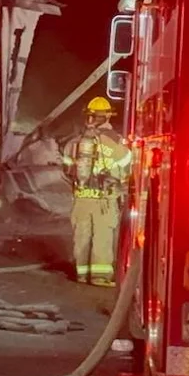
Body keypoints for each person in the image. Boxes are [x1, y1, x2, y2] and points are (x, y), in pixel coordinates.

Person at [61, 97, 132, 287]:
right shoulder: (117, 143)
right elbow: (128, 171)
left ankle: (82, 274)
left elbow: (67, 171)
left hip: (81, 198)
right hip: (105, 200)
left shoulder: (74, 143)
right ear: (108, 116)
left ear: (88, 116)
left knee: (82, 236)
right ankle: (100, 277)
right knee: (102, 237)